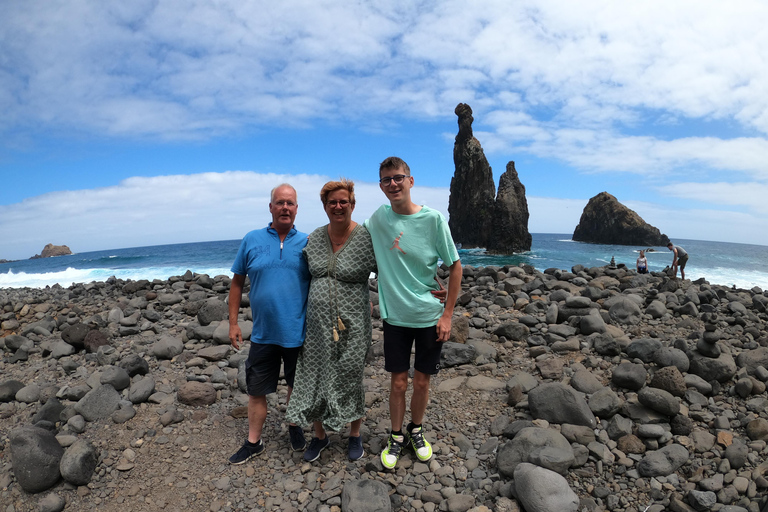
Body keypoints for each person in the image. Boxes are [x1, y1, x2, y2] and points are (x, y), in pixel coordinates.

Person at [364, 156, 462, 470]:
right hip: (395, 318)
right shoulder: (379, 219)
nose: (393, 184)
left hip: (429, 316)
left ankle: (416, 430)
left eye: (398, 178)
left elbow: (456, 265)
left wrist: (447, 314)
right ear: (381, 186)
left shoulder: (433, 220)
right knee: (397, 383)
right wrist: (318, 238)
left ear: (410, 181)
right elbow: (351, 234)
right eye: (386, 180)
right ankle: (396, 436)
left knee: (421, 383)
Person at [285, 179, 378, 462]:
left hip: (353, 325)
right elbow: (294, 274)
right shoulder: (313, 239)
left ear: (352, 204)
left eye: (343, 202)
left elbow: (393, 269)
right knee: (314, 377)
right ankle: (320, 436)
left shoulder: (366, 238)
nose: (338, 206)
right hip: (315, 327)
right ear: (325, 206)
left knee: (350, 376)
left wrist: (429, 285)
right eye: (332, 202)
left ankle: (354, 435)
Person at [227, 184, 311, 464]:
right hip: (263, 334)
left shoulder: (309, 243)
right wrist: (233, 323)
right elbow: (237, 282)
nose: (285, 207)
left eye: (290, 203)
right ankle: (254, 442)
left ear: (297, 208)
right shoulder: (251, 239)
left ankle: (294, 425)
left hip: (298, 332)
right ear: (271, 207)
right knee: (256, 390)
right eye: (280, 202)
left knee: (296, 387)